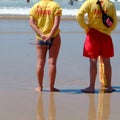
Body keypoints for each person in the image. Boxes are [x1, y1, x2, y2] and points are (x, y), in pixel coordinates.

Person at [76, 0, 117, 93]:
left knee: (93, 61)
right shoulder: (110, 4)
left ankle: (91, 87)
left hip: (93, 35)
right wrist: (108, 30)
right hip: (106, 36)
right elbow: (114, 23)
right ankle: (109, 87)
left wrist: (86, 27)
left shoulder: (89, 2)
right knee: (107, 61)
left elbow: (79, 15)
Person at [29, 0, 62, 92]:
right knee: (52, 63)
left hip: (40, 38)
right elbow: (56, 24)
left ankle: (40, 87)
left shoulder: (35, 6)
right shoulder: (56, 6)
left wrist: (42, 34)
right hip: (54, 37)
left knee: (40, 62)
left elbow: (31, 23)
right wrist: (50, 36)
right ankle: (51, 88)